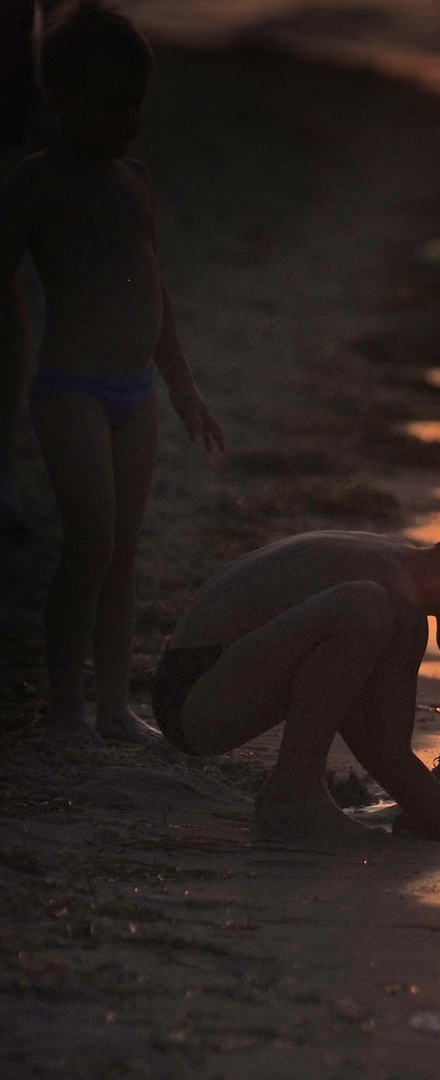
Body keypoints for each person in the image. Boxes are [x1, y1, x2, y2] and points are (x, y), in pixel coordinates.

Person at [0, 1, 224, 743]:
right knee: (88, 542)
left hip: (136, 393)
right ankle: (64, 705)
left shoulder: (135, 180)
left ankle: (113, 704)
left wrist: (184, 387)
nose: (126, 119)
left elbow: (156, 290)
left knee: (124, 552)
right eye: (107, 105)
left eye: (136, 104)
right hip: (71, 390)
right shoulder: (38, 180)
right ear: (57, 99)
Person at [152, 500, 440, 845]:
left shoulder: (397, 564)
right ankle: (292, 795)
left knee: (365, 617)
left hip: (198, 683)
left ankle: (297, 792)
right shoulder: (396, 597)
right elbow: (389, 754)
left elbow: (377, 744)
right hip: (197, 699)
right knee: (363, 610)